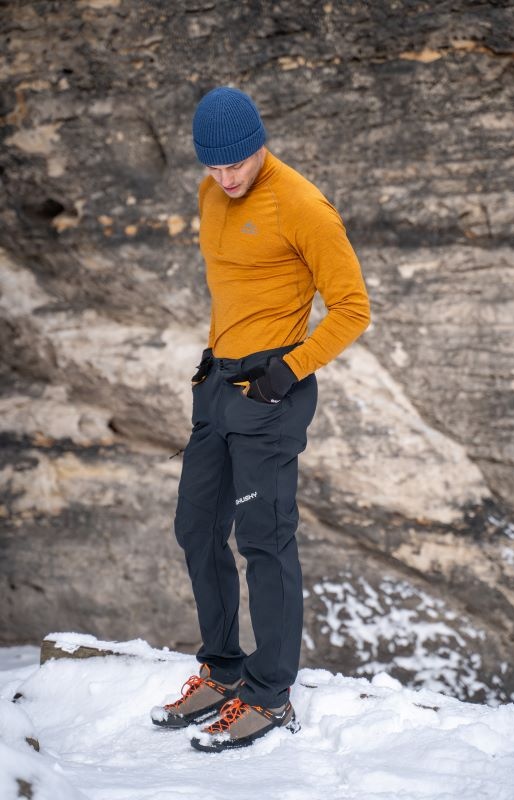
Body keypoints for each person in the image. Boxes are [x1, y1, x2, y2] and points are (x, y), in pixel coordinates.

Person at [151, 86, 370, 752]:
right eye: (214, 165)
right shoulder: (209, 193)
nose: (226, 177)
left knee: (264, 541)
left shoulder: (301, 204)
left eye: (236, 163)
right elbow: (234, 286)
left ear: (259, 144)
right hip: (218, 385)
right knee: (196, 527)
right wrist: (212, 363)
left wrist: (283, 374)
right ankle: (222, 671)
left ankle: (270, 694)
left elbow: (353, 309)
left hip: (271, 391)